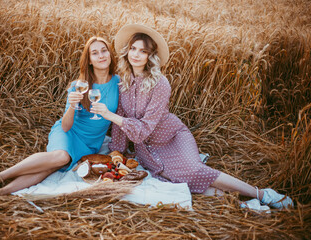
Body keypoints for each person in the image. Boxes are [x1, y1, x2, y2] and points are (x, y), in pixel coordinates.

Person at [90, 24, 293, 211]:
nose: (136, 54)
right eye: (133, 48)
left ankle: (262, 194)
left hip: (172, 138)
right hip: (147, 150)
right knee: (179, 179)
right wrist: (119, 151)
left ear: (150, 56)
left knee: (193, 170)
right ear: (127, 50)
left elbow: (142, 129)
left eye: (143, 51)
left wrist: (109, 115)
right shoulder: (122, 82)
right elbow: (122, 122)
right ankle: (244, 205)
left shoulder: (160, 84)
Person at [0, 36, 120, 197]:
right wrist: (72, 106)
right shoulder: (79, 85)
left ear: (110, 54)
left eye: (104, 50)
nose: (101, 55)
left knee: (52, 166)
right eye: (95, 53)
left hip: (90, 144)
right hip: (68, 133)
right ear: (89, 60)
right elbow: (66, 126)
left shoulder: (119, 84)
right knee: (62, 156)